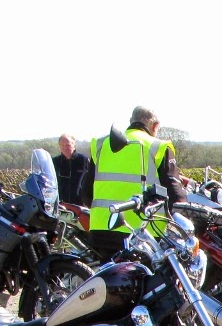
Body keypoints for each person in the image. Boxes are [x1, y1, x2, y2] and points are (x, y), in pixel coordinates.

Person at [87, 106, 185, 259]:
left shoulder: (100, 144)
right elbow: (177, 197)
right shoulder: (157, 147)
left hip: (102, 230)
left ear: (131, 121)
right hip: (144, 235)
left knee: (109, 280)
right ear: (155, 126)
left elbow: (85, 193)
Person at [52, 133, 94, 206]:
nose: (65, 148)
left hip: (80, 206)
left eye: (68, 145)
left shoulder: (83, 160)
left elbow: (91, 181)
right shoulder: (55, 162)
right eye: (62, 145)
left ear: (74, 145)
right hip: (60, 205)